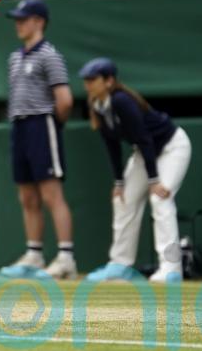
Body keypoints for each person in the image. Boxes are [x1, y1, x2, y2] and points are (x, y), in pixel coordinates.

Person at [80, 58, 192, 283]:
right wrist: (118, 182)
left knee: (160, 199)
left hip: (172, 147)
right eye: (86, 80)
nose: (88, 85)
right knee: (122, 200)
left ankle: (171, 269)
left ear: (109, 81)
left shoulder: (122, 101)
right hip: (145, 153)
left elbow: (144, 139)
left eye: (93, 79)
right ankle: (120, 266)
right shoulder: (97, 106)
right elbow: (111, 144)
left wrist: (154, 180)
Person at [0, 0, 78, 280]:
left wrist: (50, 126)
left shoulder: (50, 56)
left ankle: (66, 258)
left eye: (25, 18)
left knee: (50, 194)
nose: (19, 24)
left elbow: (65, 101)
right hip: (19, 127)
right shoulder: (14, 57)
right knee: (27, 196)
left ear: (39, 22)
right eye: (17, 19)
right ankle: (34, 255)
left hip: (42, 125)